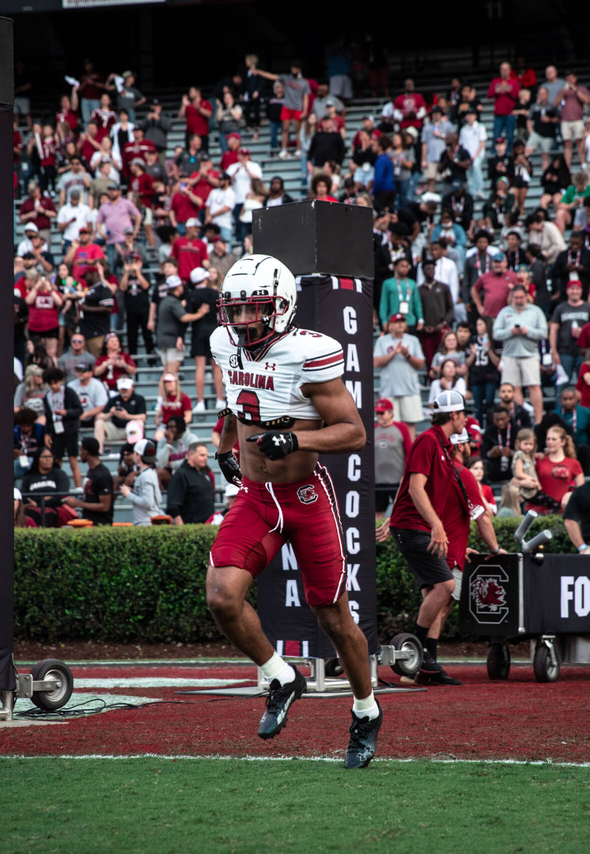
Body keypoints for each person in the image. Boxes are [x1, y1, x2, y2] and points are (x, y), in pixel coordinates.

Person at [207, 254, 380, 768]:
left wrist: (297, 438)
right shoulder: (224, 344)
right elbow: (236, 402)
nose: (242, 321)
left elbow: (354, 432)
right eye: (235, 310)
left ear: (280, 307)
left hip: (305, 497)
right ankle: (281, 676)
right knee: (221, 596)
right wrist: (224, 446)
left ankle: (366, 710)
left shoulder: (308, 353)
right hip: (256, 496)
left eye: (253, 309)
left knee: (332, 616)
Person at [386, 389, 471, 685]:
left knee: (434, 592)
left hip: (414, 525)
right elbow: (414, 487)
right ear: (454, 414)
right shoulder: (428, 440)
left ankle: (428, 665)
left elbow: (409, 484)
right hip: (413, 526)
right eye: (464, 414)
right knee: (446, 585)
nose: (466, 419)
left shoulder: (441, 444)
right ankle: (418, 651)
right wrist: (437, 526)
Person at [492, 285, 548, 418]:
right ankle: (518, 418)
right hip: (510, 355)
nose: (518, 300)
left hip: (530, 355)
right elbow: (495, 333)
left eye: (521, 297)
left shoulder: (536, 311)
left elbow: (544, 332)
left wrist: (528, 331)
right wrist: (509, 332)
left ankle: (538, 420)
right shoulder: (504, 312)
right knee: (514, 388)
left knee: (534, 386)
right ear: (511, 297)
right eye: (516, 297)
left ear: (527, 296)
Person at [373, 313, 426, 430]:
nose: (400, 324)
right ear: (390, 326)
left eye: (402, 322)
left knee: (410, 424)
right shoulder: (382, 341)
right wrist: (393, 353)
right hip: (389, 390)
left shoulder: (413, 340)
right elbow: (376, 363)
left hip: (410, 389)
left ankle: (410, 444)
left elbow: (420, 364)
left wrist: (407, 355)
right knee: (390, 425)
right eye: (396, 322)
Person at [62, 437, 114, 525]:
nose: (80, 454)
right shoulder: (91, 471)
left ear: (85, 452)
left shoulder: (102, 474)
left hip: (100, 524)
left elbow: (105, 506)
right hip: (89, 521)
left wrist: (78, 504)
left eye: (81, 450)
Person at [166, 441, 214, 524]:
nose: (205, 458)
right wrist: (182, 528)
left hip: (208, 524)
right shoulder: (181, 474)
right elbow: (173, 506)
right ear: (191, 454)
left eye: (206, 455)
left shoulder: (205, 473)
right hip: (191, 525)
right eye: (202, 455)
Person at [120, 438, 163, 526]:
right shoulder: (151, 472)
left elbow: (148, 502)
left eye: (134, 453)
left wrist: (128, 494)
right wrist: (132, 492)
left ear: (139, 456)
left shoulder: (145, 476)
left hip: (145, 522)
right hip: (147, 521)